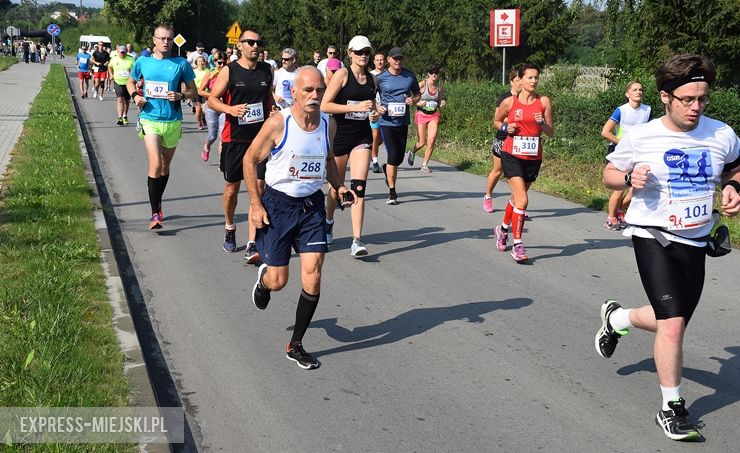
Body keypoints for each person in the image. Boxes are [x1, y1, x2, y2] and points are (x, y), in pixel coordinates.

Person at [594, 54, 740, 441]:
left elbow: (735, 168)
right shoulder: (641, 136)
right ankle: (672, 408)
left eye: (702, 99)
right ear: (665, 96)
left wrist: (733, 187)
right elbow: (609, 173)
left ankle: (618, 319)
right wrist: (627, 177)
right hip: (653, 236)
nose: (696, 107)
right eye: (687, 100)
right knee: (673, 324)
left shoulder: (721, 134)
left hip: (696, 241)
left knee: (668, 321)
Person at [244, 66, 358, 369]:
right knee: (280, 281)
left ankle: (295, 344)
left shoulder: (327, 124)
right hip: (278, 206)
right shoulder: (279, 123)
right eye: (308, 90)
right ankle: (265, 282)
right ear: (293, 92)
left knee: (314, 274)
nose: (314, 95)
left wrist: (340, 186)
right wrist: (256, 205)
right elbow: (250, 159)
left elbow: (329, 161)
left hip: (311, 207)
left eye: (319, 90)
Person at [207, 29, 274, 262]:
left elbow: (268, 99)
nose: (255, 46)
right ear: (240, 46)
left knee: (258, 190)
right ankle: (229, 225)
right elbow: (212, 99)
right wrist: (230, 110)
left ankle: (253, 242)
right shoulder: (230, 70)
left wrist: (273, 110)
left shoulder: (267, 70)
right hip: (234, 137)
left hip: (260, 139)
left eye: (258, 42)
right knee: (232, 190)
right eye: (250, 42)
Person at [127, 24, 196, 230]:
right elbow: (131, 82)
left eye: (169, 38)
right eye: (162, 38)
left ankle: (158, 202)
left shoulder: (180, 63)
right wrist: (135, 96)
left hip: (172, 120)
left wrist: (181, 95)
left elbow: (194, 90)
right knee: (155, 163)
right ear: (154, 40)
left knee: (165, 167)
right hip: (149, 118)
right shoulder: (143, 62)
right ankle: (154, 213)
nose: (165, 42)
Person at [320, 35, 379, 257]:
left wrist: (373, 110)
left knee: (359, 188)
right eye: (359, 52)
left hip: (362, 137)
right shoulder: (342, 74)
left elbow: (371, 104)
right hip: (340, 136)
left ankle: (357, 240)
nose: (363, 56)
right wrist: (351, 108)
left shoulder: (372, 79)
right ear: (350, 53)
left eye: (366, 52)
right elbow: (325, 105)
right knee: (336, 187)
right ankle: (328, 221)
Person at [493, 63, 555, 262]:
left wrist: (541, 123)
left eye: (536, 77)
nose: (534, 81)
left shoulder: (544, 102)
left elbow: (551, 132)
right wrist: (505, 127)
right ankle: (517, 244)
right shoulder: (510, 102)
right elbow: (496, 121)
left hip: (533, 156)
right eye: (529, 77)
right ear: (520, 79)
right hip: (511, 154)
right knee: (523, 200)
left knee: (516, 198)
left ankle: (502, 229)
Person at [600, 80, 652, 230]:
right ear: (627, 94)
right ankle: (610, 218)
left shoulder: (647, 110)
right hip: (620, 152)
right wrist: (621, 143)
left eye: (640, 89)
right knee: (620, 187)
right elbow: (605, 132)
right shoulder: (621, 110)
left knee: (636, 187)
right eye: (634, 89)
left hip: (639, 152)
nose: (638, 92)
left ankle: (620, 211)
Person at [376, 47, 421, 205]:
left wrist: (413, 100)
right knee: (393, 155)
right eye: (394, 58)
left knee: (398, 158)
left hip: (402, 121)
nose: (397, 61)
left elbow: (417, 94)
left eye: (400, 58)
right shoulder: (381, 78)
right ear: (388, 59)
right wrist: (377, 107)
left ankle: (388, 168)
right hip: (386, 122)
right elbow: (370, 95)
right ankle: (392, 192)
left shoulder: (409, 76)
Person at [484, 67, 520, 213]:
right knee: (498, 170)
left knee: (517, 174)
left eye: (521, 80)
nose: (520, 83)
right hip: (503, 138)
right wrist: (507, 125)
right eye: (517, 80)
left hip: (519, 141)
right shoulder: (505, 98)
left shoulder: (526, 99)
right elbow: (497, 119)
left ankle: (517, 202)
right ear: (511, 81)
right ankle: (488, 196)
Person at [408, 64, 446, 173]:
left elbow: (438, 103)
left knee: (432, 140)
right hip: (421, 114)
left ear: (438, 74)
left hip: (433, 115)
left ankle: (424, 165)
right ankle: (413, 151)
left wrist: (441, 103)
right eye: (431, 72)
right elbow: (411, 98)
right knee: (421, 142)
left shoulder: (439, 88)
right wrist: (419, 102)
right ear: (428, 74)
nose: (434, 74)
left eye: (436, 72)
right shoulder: (422, 84)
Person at [198, 51, 226, 162]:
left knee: (223, 136)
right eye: (219, 63)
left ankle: (221, 162)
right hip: (211, 107)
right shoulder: (210, 73)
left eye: (224, 62)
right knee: (212, 135)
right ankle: (207, 147)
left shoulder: (229, 73)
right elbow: (200, 91)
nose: (222, 65)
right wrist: (213, 95)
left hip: (224, 107)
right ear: (214, 62)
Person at [108, 45, 135, 125]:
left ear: (126, 52)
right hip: (118, 81)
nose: (122, 54)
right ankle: (119, 117)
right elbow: (109, 67)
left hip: (128, 83)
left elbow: (134, 70)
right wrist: (111, 74)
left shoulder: (131, 59)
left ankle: (125, 115)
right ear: (118, 52)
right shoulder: (114, 59)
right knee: (120, 99)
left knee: (126, 101)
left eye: (123, 52)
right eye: (121, 53)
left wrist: (132, 75)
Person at [369, 51, 385, 173]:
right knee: (375, 136)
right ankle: (375, 162)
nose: (380, 62)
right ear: (374, 61)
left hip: (386, 111)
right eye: (377, 60)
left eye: (382, 60)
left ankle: (369, 151)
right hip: (373, 111)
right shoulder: (370, 75)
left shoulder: (388, 75)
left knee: (380, 139)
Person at [192, 56, 209, 129]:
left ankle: (204, 119)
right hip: (196, 92)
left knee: (204, 110)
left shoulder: (208, 71)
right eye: (199, 61)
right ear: (196, 63)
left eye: (202, 61)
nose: (201, 62)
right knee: (198, 110)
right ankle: (199, 124)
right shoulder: (194, 72)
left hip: (205, 92)